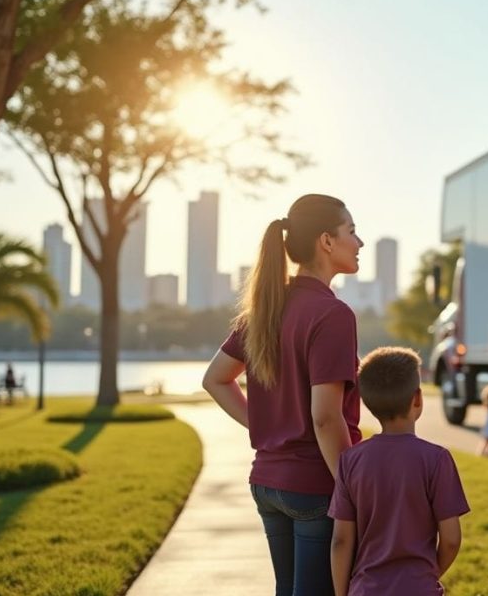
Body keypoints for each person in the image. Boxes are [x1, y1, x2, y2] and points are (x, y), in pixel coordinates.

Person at [201, 193, 365, 596]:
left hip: (267, 483)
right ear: (327, 241)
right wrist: (354, 490)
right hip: (314, 486)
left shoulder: (267, 306)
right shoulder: (332, 314)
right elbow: (326, 419)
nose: (360, 243)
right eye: (352, 232)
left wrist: (264, 423)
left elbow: (216, 380)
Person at [330, 347, 469, 596]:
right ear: (417, 398)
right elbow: (451, 539)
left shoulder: (350, 461)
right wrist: (429, 575)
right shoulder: (437, 460)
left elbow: (341, 540)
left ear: (367, 401)